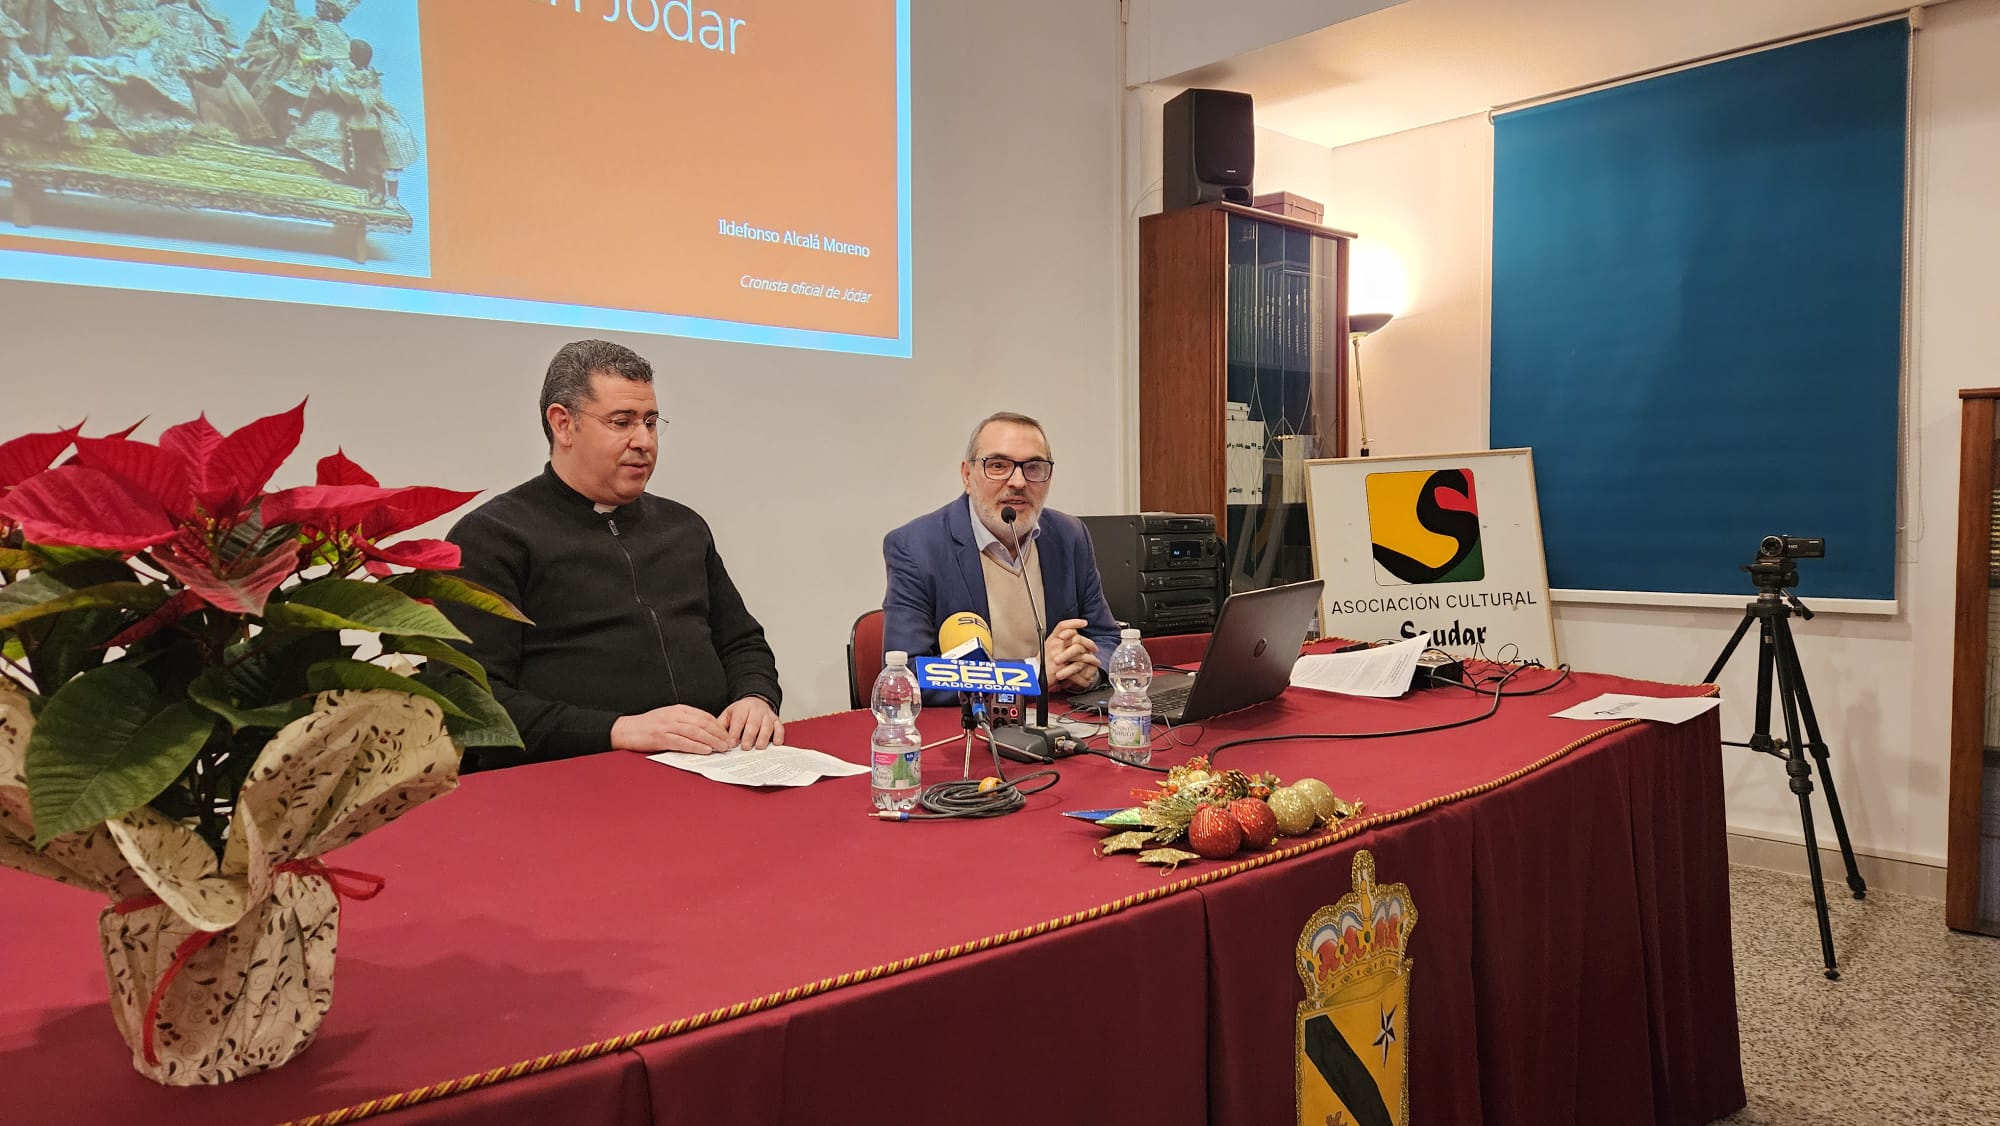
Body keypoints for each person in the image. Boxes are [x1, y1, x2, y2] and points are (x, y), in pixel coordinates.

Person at [445, 339, 784, 771]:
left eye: (651, 422)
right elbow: (471, 700)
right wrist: (618, 731)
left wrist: (754, 696)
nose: (643, 441)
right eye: (622, 422)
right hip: (568, 779)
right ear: (562, 424)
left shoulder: (683, 527)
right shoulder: (492, 537)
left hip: (718, 765)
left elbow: (741, 641)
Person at [881, 412, 1120, 704]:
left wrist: (1089, 670)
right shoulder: (916, 546)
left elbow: (1107, 639)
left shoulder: (1070, 536)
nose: (1018, 481)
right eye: (998, 465)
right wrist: (1031, 674)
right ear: (967, 476)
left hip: (1060, 721)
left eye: (1033, 467)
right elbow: (907, 673)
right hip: (969, 731)